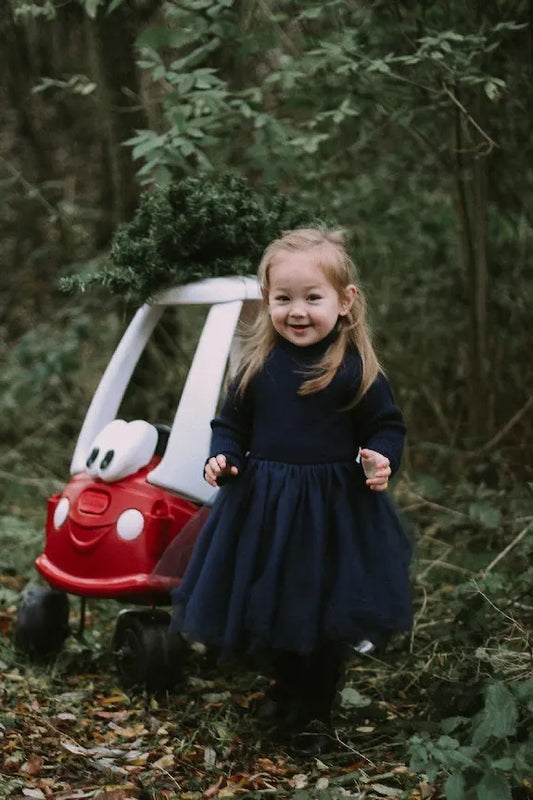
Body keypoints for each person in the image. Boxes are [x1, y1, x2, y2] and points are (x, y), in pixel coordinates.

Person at [170, 228, 412, 755]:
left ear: (345, 302)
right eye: (283, 299)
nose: (296, 311)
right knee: (269, 601)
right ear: (267, 301)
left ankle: (316, 712)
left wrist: (381, 457)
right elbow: (230, 423)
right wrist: (225, 457)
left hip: (333, 512)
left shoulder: (353, 369)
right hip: (263, 508)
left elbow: (386, 426)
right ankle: (283, 685)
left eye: (312, 298)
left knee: (324, 610)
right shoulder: (257, 365)